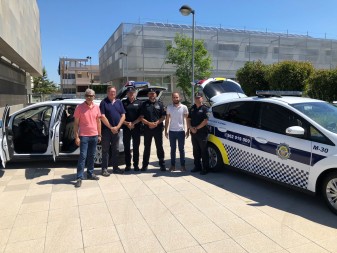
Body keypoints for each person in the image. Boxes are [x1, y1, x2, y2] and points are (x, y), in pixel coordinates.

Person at [73, 89, 101, 188]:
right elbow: (76, 124)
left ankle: (90, 173)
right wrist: (76, 137)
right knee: (83, 156)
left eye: (91, 96)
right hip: (84, 136)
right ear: (85, 96)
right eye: (88, 95)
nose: (89, 97)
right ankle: (79, 177)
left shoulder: (96, 107)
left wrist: (99, 135)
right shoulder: (79, 107)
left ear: (94, 96)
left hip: (94, 135)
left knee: (92, 155)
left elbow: (98, 122)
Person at [100, 86, 126, 176]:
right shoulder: (103, 102)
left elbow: (123, 116)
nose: (113, 93)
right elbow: (102, 117)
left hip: (117, 131)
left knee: (116, 150)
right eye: (111, 92)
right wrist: (111, 127)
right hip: (106, 131)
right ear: (107, 92)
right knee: (105, 150)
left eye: (114, 92)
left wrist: (117, 127)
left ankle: (115, 168)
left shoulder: (119, 102)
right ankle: (104, 169)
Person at [140, 88, 166, 171]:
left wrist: (156, 123)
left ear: (156, 95)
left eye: (153, 94)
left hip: (158, 129)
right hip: (147, 129)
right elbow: (141, 118)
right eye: (150, 94)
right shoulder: (144, 105)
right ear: (148, 95)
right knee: (147, 147)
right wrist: (149, 123)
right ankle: (145, 165)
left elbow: (163, 117)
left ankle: (162, 164)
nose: (152, 95)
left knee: (159, 147)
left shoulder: (160, 104)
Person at [164, 92, 189, 172]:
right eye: (174, 97)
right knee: (173, 149)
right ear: (172, 98)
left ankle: (183, 166)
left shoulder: (184, 107)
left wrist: (188, 130)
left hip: (181, 131)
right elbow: (167, 120)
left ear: (179, 98)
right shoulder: (169, 107)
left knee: (181, 149)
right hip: (172, 132)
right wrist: (165, 131)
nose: (175, 99)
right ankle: (173, 166)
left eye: (177, 97)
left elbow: (187, 119)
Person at [187, 91, 210, 175]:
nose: (197, 99)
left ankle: (205, 168)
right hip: (194, 133)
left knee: (203, 151)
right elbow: (188, 119)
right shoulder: (192, 108)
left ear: (202, 98)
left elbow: (206, 121)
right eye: (196, 98)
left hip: (202, 133)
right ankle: (197, 166)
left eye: (199, 97)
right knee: (195, 150)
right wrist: (190, 128)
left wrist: (196, 128)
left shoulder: (205, 108)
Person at [122, 86, 142, 171]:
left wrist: (133, 123)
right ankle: (128, 165)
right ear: (127, 93)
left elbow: (141, 116)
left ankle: (136, 165)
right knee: (126, 147)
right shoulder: (123, 102)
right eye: (129, 92)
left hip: (136, 128)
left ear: (135, 93)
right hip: (126, 128)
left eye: (132, 92)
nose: (131, 94)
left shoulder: (139, 103)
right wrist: (127, 123)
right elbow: (120, 115)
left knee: (136, 147)